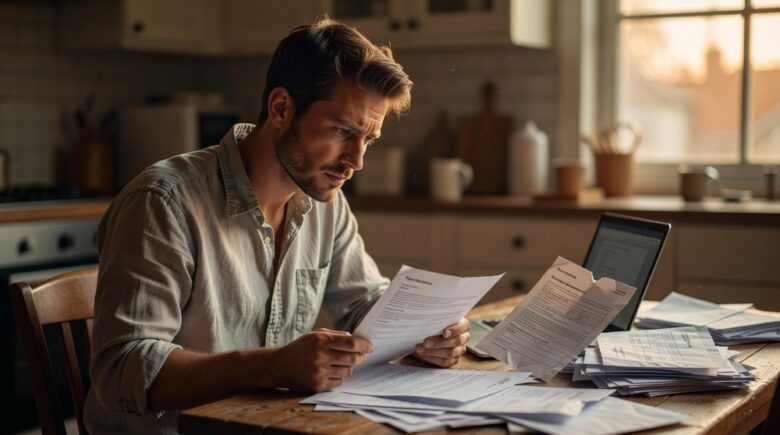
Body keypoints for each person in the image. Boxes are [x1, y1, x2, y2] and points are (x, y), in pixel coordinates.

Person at [85, 18, 471, 434]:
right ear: (281, 108)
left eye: (368, 140)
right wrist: (273, 365)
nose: (356, 161)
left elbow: (363, 304)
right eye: (343, 131)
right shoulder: (163, 202)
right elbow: (121, 370)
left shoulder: (326, 202)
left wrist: (429, 333)